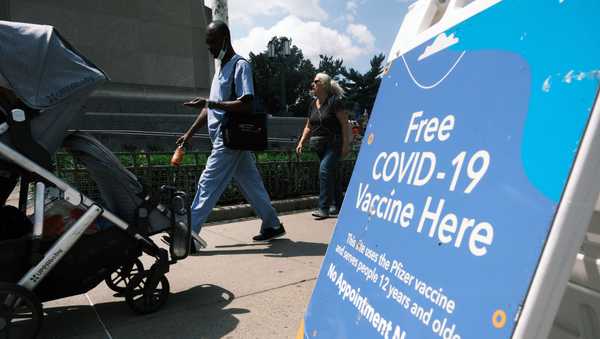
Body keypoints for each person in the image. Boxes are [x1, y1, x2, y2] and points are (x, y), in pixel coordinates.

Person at [177, 20, 285, 252]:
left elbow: (246, 103)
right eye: (207, 43)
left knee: (208, 182)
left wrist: (211, 102)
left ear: (224, 40)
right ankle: (273, 225)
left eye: (212, 43)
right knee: (251, 183)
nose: (209, 48)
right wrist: (188, 134)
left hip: (231, 137)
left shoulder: (240, 65)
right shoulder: (219, 71)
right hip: (226, 137)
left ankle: (189, 234)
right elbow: (209, 108)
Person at [296, 73, 350, 220]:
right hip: (319, 145)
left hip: (334, 143)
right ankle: (339, 205)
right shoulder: (313, 104)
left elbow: (345, 124)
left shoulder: (334, 102)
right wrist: (301, 142)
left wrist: (346, 145)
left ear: (324, 85)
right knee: (332, 175)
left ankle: (323, 208)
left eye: (316, 81)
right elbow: (309, 125)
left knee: (324, 170)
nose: (312, 84)